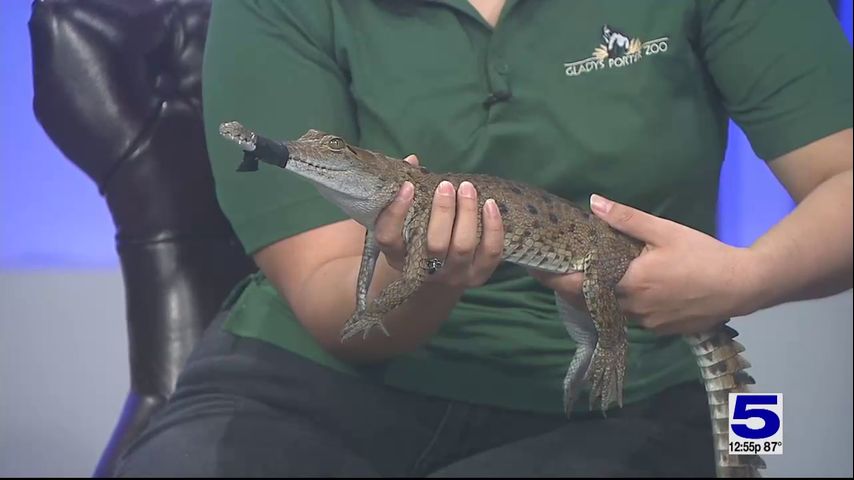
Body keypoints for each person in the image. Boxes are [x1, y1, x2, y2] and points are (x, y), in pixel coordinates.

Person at [116, 0, 853, 477]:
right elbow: (330, 299)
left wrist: (747, 280)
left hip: (620, 391)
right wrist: (424, 270)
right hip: (313, 384)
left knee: (748, 452)